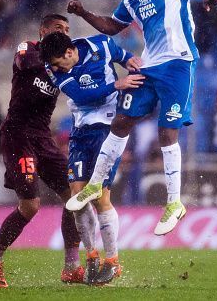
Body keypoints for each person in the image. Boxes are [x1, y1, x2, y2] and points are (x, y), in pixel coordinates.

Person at [64, 0, 217, 236]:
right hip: (149, 66)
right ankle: (96, 183)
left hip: (179, 63)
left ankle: (174, 203)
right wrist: (83, 12)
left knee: (167, 131)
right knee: (122, 121)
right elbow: (112, 26)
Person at [0, 14, 83, 288]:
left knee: (75, 195)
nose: (63, 33)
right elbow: (27, 62)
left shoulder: (66, 65)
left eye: (67, 30)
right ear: (43, 30)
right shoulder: (28, 49)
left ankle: (72, 266)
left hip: (42, 137)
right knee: (31, 205)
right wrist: (59, 62)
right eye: (58, 28)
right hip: (18, 134)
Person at [40, 31, 144, 285]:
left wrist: (131, 59)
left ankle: (113, 262)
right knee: (77, 197)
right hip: (80, 132)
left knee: (100, 196)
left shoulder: (102, 44)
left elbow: (123, 56)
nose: (53, 68)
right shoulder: (53, 67)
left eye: (57, 63)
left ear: (69, 52)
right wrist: (115, 84)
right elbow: (83, 96)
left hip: (108, 130)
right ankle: (92, 255)